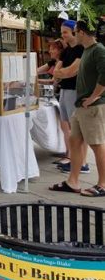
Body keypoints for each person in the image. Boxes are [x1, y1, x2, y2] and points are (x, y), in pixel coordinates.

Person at [50, 20, 105, 198]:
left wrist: (94, 97)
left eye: (74, 31)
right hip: (81, 106)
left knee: (97, 145)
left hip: (92, 107)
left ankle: (102, 184)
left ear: (81, 32)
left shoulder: (98, 50)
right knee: (75, 141)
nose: (72, 34)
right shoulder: (87, 50)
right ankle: (72, 182)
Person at [52, 20, 86, 171]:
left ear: (74, 32)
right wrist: (61, 74)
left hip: (75, 90)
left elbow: (71, 71)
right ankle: (74, 160)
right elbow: (57, 72)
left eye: (65, 32)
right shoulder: (66, 51)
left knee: (78, 128)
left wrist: (61, 74)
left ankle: (83, 163)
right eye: (62, 32)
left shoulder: (80, 49)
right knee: (71, 128)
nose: (63, 35)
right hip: (65, 91)